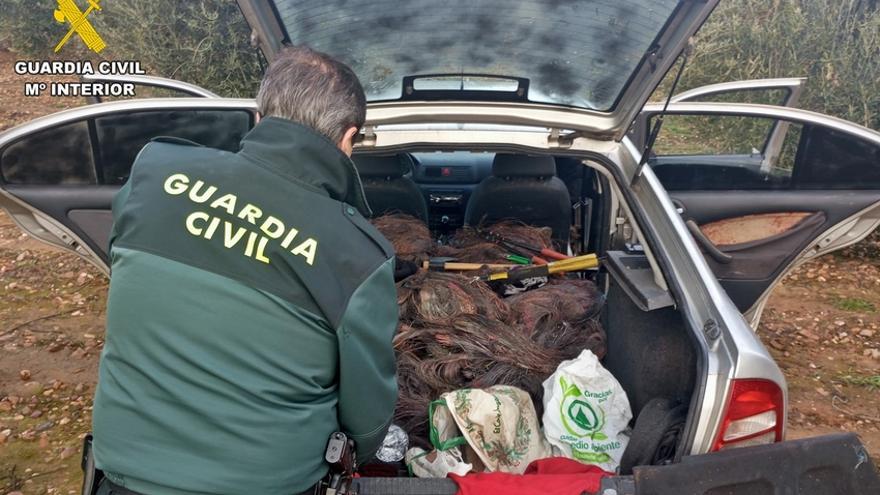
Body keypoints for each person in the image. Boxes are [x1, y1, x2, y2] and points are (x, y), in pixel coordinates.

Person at [90, 46, 398, 495]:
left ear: (260, 117)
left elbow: (128, 269)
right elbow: (367, 419)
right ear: (348, 138)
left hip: (125, 476)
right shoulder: (356, 252)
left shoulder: (155, 171)